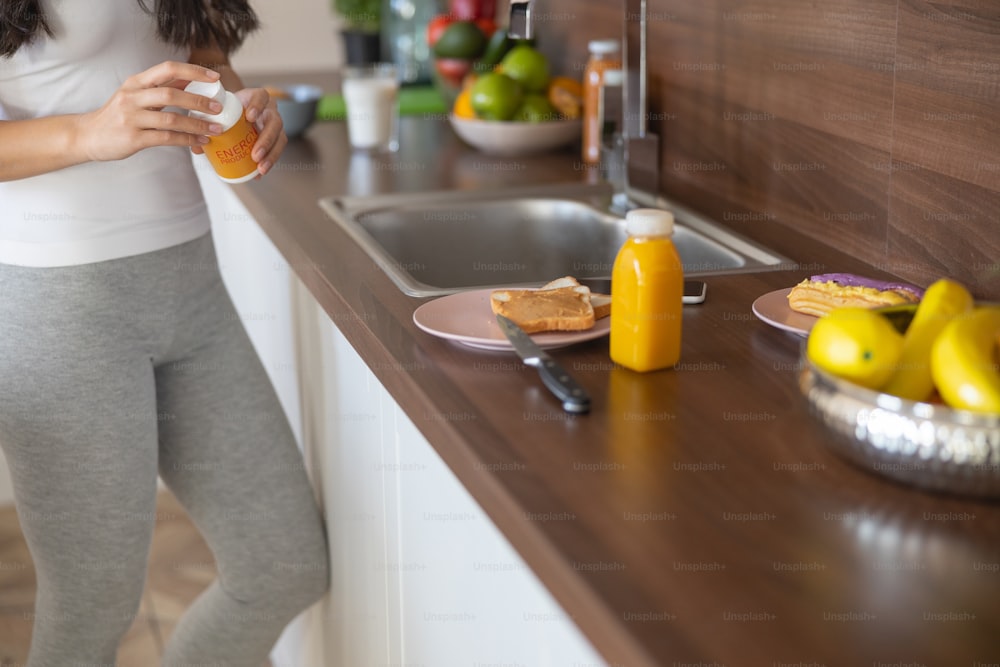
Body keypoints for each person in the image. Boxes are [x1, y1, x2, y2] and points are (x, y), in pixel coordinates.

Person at [0, 1, 330, 665]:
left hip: (190, 282)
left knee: (281, 564)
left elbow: (205, 64)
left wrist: (245, 108)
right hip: (62, 303)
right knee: (93, 605)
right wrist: (89, 133)